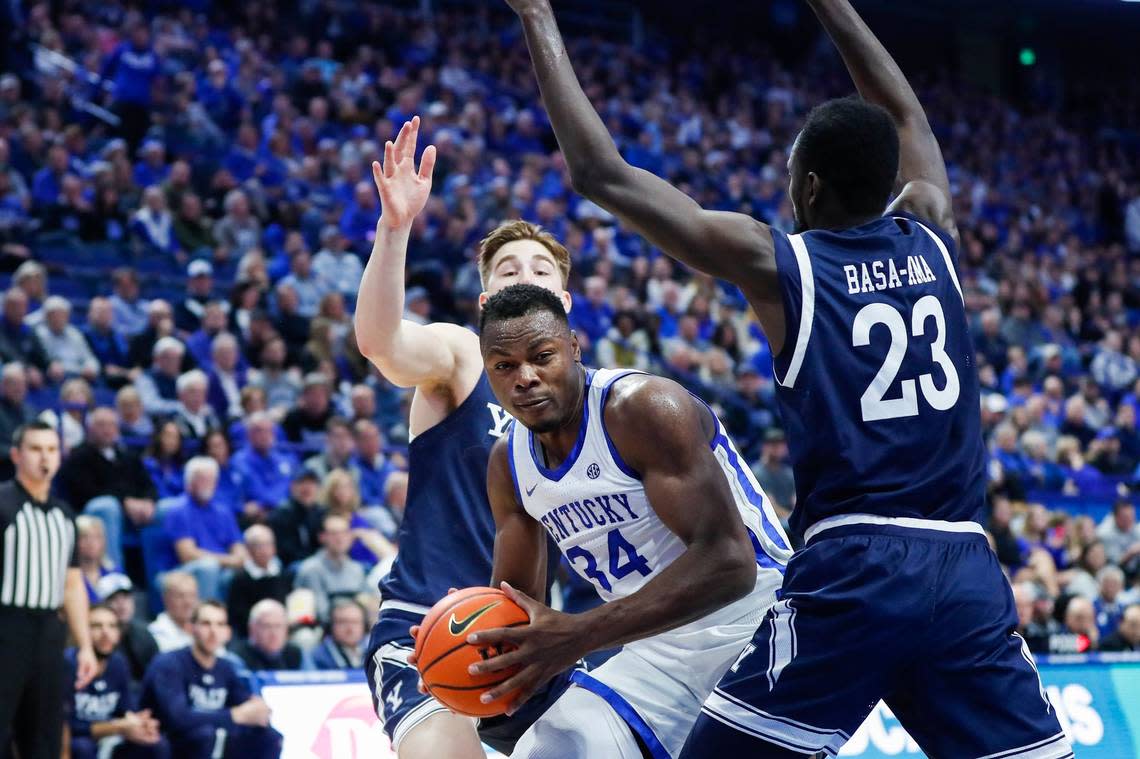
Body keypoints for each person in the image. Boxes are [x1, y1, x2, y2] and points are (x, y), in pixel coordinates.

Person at [505, 0, 1072, 755]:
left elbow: (600, 173)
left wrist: (538, 16)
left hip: (856, 568)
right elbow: (908, 118)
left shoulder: (788, 265)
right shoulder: (934, 231)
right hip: (966, 566)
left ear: (808, 190)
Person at [456, 285, 788, 758]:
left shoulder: (641, 408)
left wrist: (579, 634)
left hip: (757, 625)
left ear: (573, 347)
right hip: (653, 653)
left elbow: (731, 564)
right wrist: (462, 647)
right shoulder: (507, 464)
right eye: (504, 366)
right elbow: (514, 604)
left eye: (542, 356)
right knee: (551, 750)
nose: (524, 377)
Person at [357, 117, 575, 758]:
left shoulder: (592, 403)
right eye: (509, 271)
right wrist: (394, 230)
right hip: (432, 623)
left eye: (540, 270)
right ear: (484, 303)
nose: (526, 277)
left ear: (565, 299)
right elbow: (382, 344)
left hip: (535, 637)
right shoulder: (460, 356)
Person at [0, 421, 97, 758]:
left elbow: (72, 583)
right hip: (6, 626)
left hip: (48, 633)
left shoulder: (64, 515)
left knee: (44, 734)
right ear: (16, 455)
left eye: (52, 449)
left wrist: (85, 644)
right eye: (36, 449)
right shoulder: (2, 503)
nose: (45, 457)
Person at [140, 601, 282, 759]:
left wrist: (258, 709)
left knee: (269, 736)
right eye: (206, 624)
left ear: (228, 632)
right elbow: (178, 718)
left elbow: (248, 706)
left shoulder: (226, 667)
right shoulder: (168, 664)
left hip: (207, 739)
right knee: (203, 736)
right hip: (168, 743)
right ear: (190, 628)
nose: (213, 632)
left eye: (220, 624)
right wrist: (234, 715)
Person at [58, 407, 158, 570]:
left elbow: (148, 485)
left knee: (163, 510)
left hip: (134, 515)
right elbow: (87, 493)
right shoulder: (79, 456)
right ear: (90, 429)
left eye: (112, 425)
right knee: (107, 506)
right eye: (101, 425)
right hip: (92, 513)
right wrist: (124, 502)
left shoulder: (128, 456)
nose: (107, 430)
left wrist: (148, 501)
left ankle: (162, 580)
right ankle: (112, 575)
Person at [65, 604, 170, 759]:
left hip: (111, 735)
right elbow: (65, 725)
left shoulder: (118, 663)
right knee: (82, 747)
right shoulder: (66, 663)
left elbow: (126, 709)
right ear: (81, 632)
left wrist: (140, 722)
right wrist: (117, 727)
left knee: (156, 743)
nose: (105, 633)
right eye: (96, 626)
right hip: (79, 739)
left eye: (112, 626)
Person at [163, 457, 247, 601]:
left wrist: (233, 560)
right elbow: (187, 555)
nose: (209, 484)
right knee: (209, 567)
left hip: (219, 567)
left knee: (250, 571)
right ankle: (204, 618)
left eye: (212, 479)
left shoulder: (223, 511)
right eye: (203, 479)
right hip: (183, 570)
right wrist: (228, 560)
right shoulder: (178, 509)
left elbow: (239, 551)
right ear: (189, 482)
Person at [294, 513, 369, 624]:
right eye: (334, 533)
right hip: (321, 629)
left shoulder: (356, 569)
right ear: (322, 537)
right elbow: (321, 613)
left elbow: (366, 604)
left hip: (355, 626)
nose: (340, 538)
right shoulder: (311, 569)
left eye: (344, 533)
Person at [226, 525, 292, 639]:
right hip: (253, 634)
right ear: (249, 549)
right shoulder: (240, 578)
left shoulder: (283, 573)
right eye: (259, 545)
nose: (265, 550)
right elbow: (238, 616)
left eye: (269, 544)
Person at [96, 573, 160, 682]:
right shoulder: (97, 637)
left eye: (126, 597)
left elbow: (157, 673)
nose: (122, 604)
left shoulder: (143, 633)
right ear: (102, 604)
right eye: (113, 599)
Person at [229, 599, 303, 671]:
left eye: (278, 626)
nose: (274, 633)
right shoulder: (236, 658)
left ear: (286, 629)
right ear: (252, 629)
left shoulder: (295, 653)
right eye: (267, 626)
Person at [306, 598, 368, 670]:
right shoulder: (318, 656)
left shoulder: (373, 652)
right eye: (343, 622)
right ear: (331, 626)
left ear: (365, 626)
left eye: (355, 622)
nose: (350, 629)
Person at [148, 571, 199, 653]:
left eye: (192, 595)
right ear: (165, 599)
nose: (188, 602)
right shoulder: (154, 634)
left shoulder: (204, 629)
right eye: (181, 596)